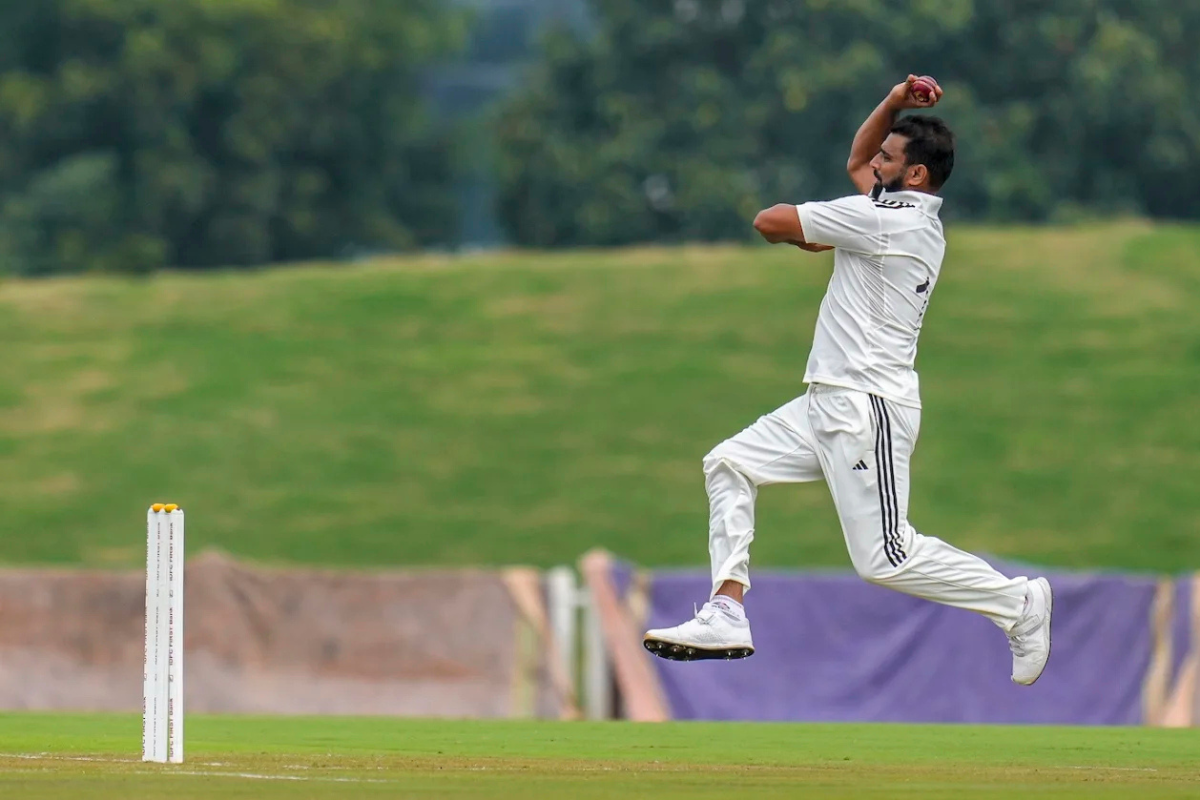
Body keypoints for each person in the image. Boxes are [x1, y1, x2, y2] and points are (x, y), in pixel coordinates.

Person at [643, 75, 1052, 686]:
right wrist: (892, 104)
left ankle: (1018, 602)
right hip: (826, 400)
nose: (875, 163)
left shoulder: (891, 221)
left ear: (915, 176)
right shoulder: (890, 210)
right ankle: (726, 608)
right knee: (728, 463)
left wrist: (811, 229)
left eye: (892, 158)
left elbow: (768, 220)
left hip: (867, 408)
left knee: (886, 557)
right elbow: (857, 159)